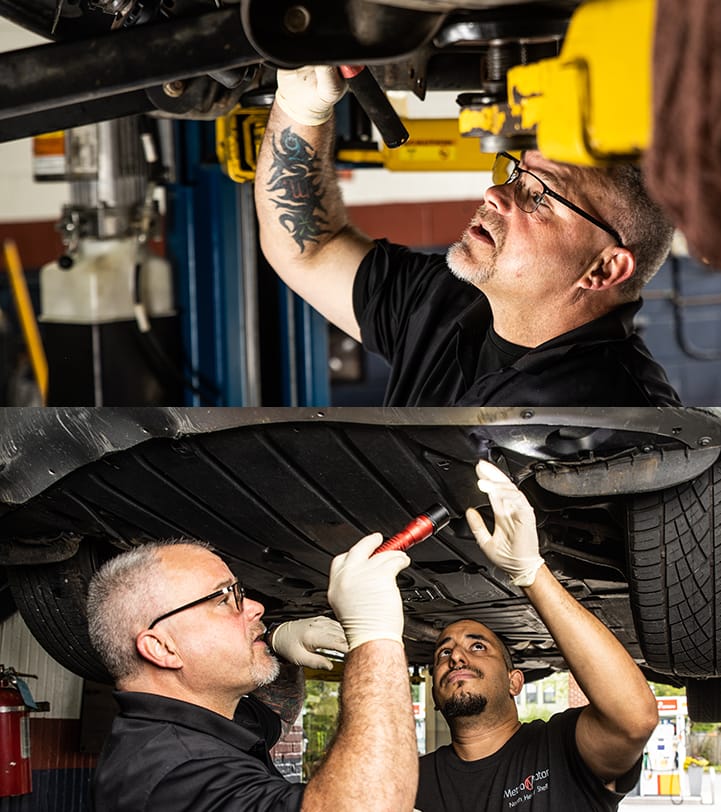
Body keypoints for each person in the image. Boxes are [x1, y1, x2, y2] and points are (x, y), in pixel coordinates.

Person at [254, 66, 680, 406]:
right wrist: (301, 109)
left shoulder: (624, 417)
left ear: (604, 268)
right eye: (515, 174)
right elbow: (310, 250)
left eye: (539, 196)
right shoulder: (446, 306)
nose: (495, 194)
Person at [85, 534, 417, 812]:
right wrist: (375, 636)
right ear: (163, 648)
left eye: (239, 592)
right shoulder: (169, 777)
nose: (256, 606)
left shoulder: (195, 723)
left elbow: (274, 714)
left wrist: (274, 644)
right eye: (223, 598)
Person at [415, 460, 659, 810]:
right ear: (435, 696)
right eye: (443, 653)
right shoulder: (412, 779)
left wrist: (531, 572)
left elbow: (634, 720)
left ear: (515, 682)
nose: (455, 656)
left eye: (478, 646)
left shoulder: (560, 748)